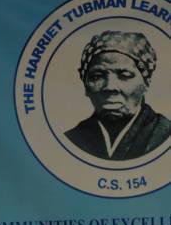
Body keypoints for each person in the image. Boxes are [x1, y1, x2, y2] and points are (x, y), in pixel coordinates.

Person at [65, 31, 171, 160]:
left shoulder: (165, 134)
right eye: (97, 76)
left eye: (125, 75)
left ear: (146, 83)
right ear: (85, 85)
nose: (110, 87)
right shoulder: (72, 139)